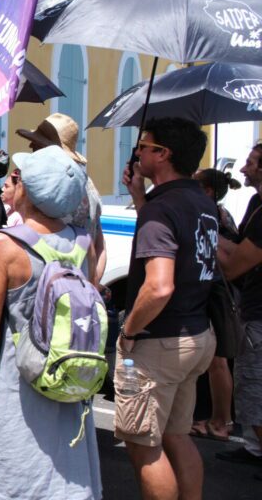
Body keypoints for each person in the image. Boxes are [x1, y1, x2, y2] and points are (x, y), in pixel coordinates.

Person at [0, 146, 102, 500]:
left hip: (14, 382)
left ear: (28, 190)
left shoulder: (5, 246)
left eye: (18, 178)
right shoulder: (83, 242)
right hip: (64, 375)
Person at [119, 117, 217, 500]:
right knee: (176, 435)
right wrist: (141, 198)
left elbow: (159, 287)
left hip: (160, 341)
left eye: (144, 145)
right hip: (196, 334)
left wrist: (128, 330)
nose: (138, 151)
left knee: (143, 443)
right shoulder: (200, 201)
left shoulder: (162, 210)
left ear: (163, 154)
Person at [16, 113, 106, 285]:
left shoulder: (53, 190)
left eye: (36, 146)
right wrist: (92, 284)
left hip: (52, 290)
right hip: (78, 290)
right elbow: (100, 245)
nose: (30, 146)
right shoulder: (88, 183)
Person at [218, 143, 262, 472]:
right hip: (252, 307)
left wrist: (209, 237)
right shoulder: (256, 202)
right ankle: (253, 448)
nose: (244, 169)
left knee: (253, 391)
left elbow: (235, 267)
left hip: (259, 314)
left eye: (250, 163)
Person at [190, 167, 240, 442]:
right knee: (215, 359)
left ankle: (221, 421)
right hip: (221, 291)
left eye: (196, 183)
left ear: (208, 190)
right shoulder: (221, 213)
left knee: (217, 360)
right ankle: (217, 418)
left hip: (218, 291)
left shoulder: (212, 215)